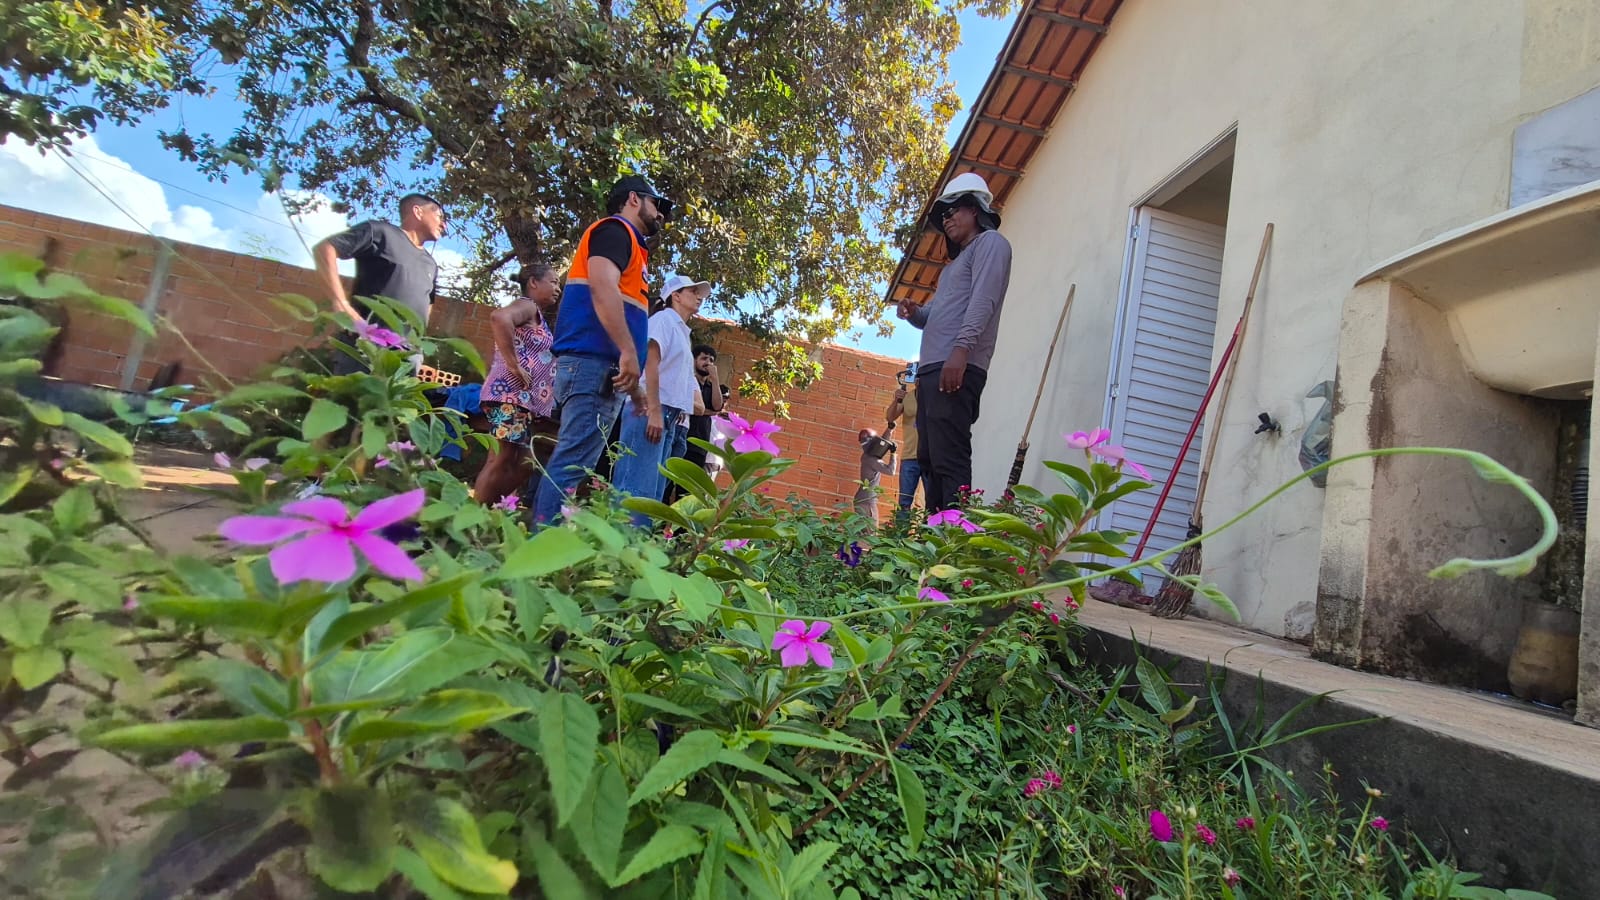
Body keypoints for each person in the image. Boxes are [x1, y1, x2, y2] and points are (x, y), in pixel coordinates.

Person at [532, 176, 672, 524]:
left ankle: (543, 537)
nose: (661, 214)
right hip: (592, 365)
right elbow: (602, 287)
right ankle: (539, 543)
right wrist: (628, 351)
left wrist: (636, 391)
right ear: (634, 199)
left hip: (600, 369)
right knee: (572, 464)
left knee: (575, 462)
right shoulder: (615, 231)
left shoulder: (632, 246)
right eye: (657, 204)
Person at [895, 173, 1012, 511]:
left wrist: (960, 352)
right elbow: (937, 313)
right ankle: (935, 531)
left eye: (952, 211)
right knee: (929, 459)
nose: (946, 220)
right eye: (942, 216)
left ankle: (955, 531)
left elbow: (983, 301)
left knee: (950, 456)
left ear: (974, 209)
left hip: (957, 367)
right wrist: (915, 313)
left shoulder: (991, 244)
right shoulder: (952, 268)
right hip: (934, 369)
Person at [612, 274, 711, 520]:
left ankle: (636, 542)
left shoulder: (682, 331)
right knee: (635, 489)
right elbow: (650, 363)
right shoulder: (663, 319)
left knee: (653, 495)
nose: (698, 296)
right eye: (692, 291)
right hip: (652, 411)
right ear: (675, 296)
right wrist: (654, 411)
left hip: (670, 416)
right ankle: (620, 540)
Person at [313, 193, 446, 372]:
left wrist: (417, 348)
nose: (443, 225)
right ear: (418, 211)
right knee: (357, 391)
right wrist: (341, 303)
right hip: (368, 343)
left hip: (407, 355)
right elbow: (324, 249)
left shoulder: (430, 263)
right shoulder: (380, 232)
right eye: (439, 216)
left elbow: (427, 302)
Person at [474, 264, 562, 505]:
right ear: (533, 282)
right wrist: (513, 365)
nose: (558, 288)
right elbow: (499, 317)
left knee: (526, 463)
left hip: (522, 401)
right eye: (553, 282)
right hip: (509, 395)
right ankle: (475, 514)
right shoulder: (527, 305)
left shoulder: (536, 315)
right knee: (500, 458)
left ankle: (488, 506)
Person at [884, 365, 924, 517]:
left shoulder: (936, 398)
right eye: (918, 377)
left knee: (932, 502)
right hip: (910, 457)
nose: (920, 381)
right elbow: (890, 417)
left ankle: (927, 531)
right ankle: (901, 531)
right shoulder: (908, 398)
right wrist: (896, 400)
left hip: (930, 457)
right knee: (904, 503)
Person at [682, 344, 728, 472]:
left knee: (689, 482)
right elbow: (688, 407)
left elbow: (717, 406)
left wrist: (715, 379)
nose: (708, 363)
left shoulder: (711, 387)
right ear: (694, 360)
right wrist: (708, 412)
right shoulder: (688, 382)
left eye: (711, 360)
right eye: (704, 358)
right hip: (683, 437)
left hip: (701, 444)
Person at [853, 428, 897, 523]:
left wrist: (889, 429)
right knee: (871, 530)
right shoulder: (873, 460)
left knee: (863, 530)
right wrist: (893, 454)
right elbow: (891, 471)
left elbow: (881, 443)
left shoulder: (867, 456)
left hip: (863, 499)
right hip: (867, 501)